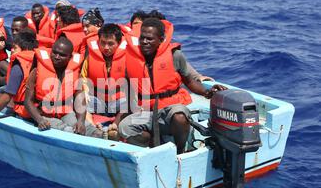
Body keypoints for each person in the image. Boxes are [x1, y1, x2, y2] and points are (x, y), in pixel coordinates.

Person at [118, 18, 227, 153]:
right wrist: (119, 119)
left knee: (179, 116)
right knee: (124, 128)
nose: (145, 42)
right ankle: (152, 148)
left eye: (150, 39)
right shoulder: (132, 58)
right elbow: (129, 92)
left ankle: (180, 152)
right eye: (142, 38)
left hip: (170, 109)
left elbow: (189, 82)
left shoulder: (175, 55)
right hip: (146, 112)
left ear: (161, 39)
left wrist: (207, 92)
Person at [24, 37, 102, 137]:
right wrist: (40, 120)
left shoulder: (74, 72)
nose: (57, 57)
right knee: (69, 131)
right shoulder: (36, 71)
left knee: (91, 131)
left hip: (65, 113)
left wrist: (81, 121)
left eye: (62, 55)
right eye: (54, 52)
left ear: (70, 57)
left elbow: (79, 99)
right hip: (43, 115)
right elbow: (27, 101)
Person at [80, 24, 128, 140]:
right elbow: (83, 78)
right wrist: (85, 92)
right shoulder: (91, 56)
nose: (106, 47)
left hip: (118, 101)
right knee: (80, 103)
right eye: (103, 43)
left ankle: (114, 126)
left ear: (119, 42)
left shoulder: (128, 57)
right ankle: (93, 128)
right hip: (97, 99)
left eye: (111, 44)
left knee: (130, 104)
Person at [0, 31, 38, 126]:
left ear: (25, 48)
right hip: (39, 110)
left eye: (15, 48)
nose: (12, 50)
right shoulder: (39, 60)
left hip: (24, 113)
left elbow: (7, 96)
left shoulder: (18, 66)